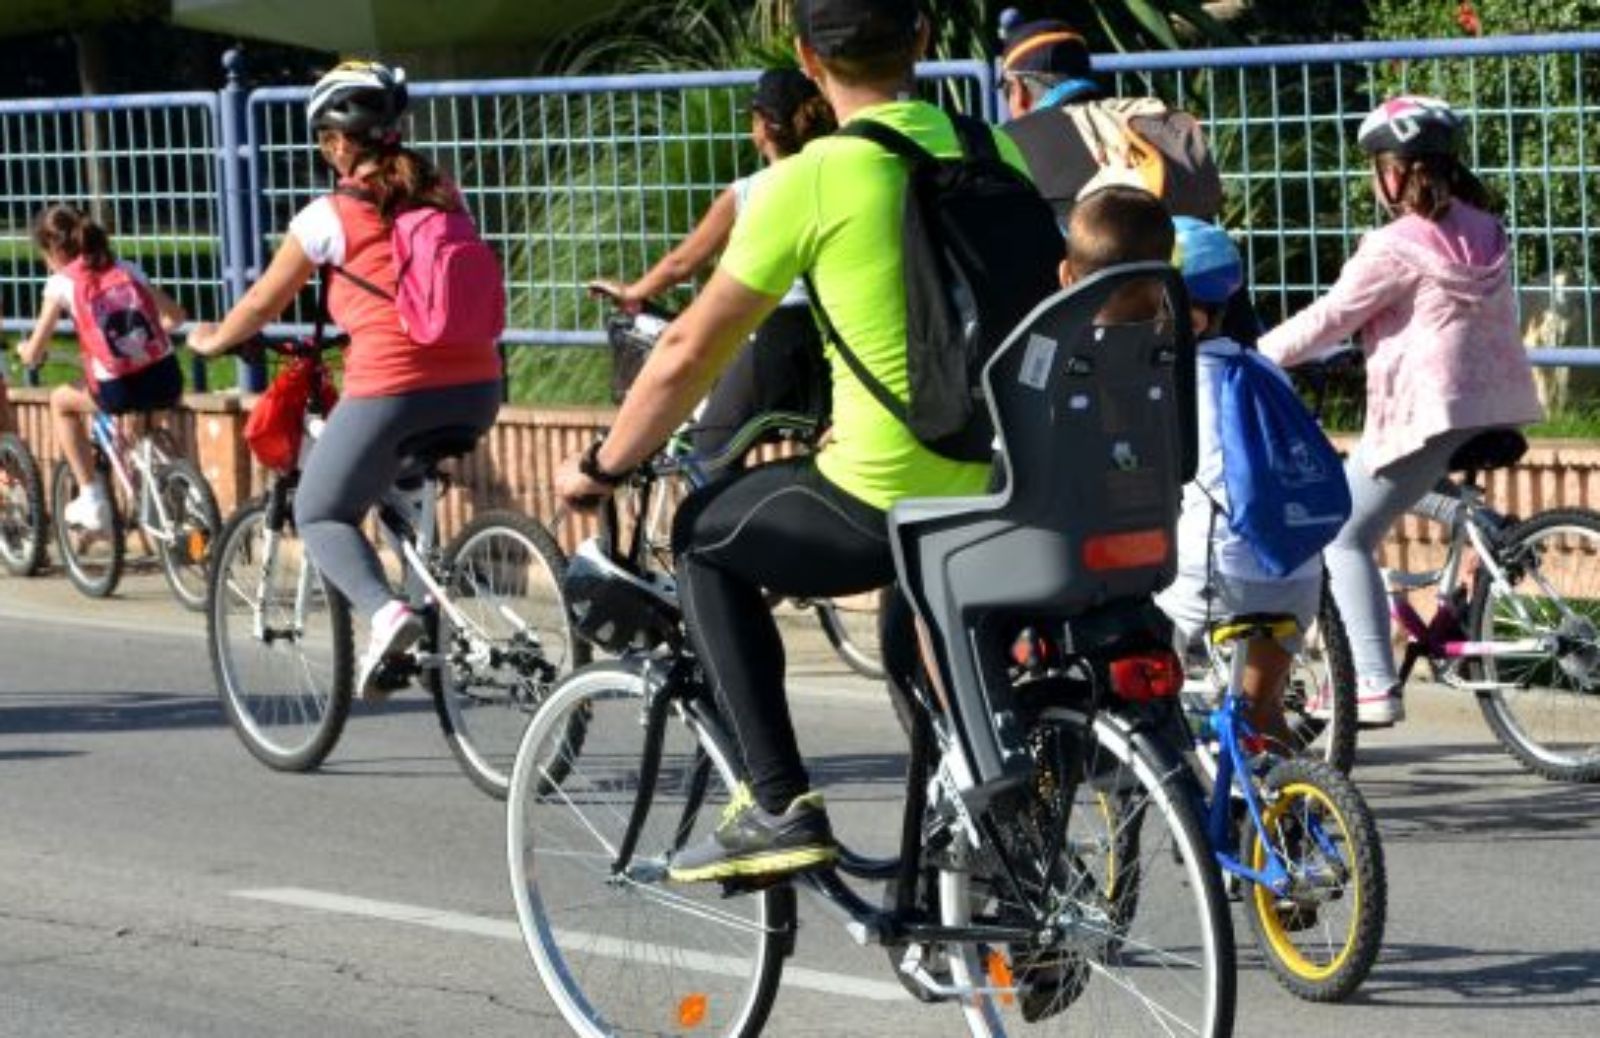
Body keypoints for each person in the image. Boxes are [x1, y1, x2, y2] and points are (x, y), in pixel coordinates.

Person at [554, 0, 1039, 883]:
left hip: (884, 492)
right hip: (1002, 480)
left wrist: (600, 467)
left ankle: (777, 803)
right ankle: (978, 858)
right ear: (922, 40)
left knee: (703, 536)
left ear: (808, 58)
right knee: (909, 641)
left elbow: (688, 351)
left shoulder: (806, 180)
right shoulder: (988, 148)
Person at [189, 61, 503, 700]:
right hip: (479, 387)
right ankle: (427, 591)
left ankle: (389, 615)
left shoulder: (326, 216)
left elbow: (259, 308)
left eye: (323, 142)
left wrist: (210, 338)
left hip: (393, 390)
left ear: (336, 141)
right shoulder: (446, 192)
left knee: (321, 511)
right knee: (390, 478)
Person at [1260, 95, 1543, 726]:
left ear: (1392, 174)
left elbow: (1332, 316)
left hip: (1427, 409)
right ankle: (1484, 524)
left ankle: (1372, 683)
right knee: (1384, 478)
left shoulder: (1393, 244)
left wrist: (1258, 356)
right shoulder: (1487, 227)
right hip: (1494, 402)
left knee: (1343, 530)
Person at [590, 68, 836, 458]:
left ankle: (726, 520)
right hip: (827, 335)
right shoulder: (833, 179)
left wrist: (632, 291)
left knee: (709, 453)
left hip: (774, 335)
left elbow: (681, 263)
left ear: (763, 127)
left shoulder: (749, 191)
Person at [1154, 217, 1322, 749]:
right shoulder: (1266, 369)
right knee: (1259, 712)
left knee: (1134, 693)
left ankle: (1163, 795)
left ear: (1188, 315)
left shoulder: (1166, 382)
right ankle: (1291, 818)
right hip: (1297, 575)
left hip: (1215, 578)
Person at [17, 205, 187, 533]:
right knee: (143, 418)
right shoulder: (126, 268)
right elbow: (176, 316)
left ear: (52, 251)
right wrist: (142, 344)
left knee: (60, 402)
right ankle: (175, 486)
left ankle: (91, 496)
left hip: (118, 388)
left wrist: (28, 353)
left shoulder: (61, 284)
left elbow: (36, 349)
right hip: (167, 376)